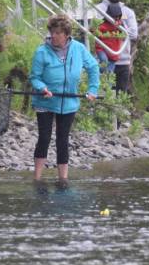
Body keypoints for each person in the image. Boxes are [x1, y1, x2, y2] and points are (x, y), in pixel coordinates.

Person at [29, 14, 100, 181]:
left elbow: (93, 67)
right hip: (44, 100)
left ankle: (63, 180)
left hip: (68, 101)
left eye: (57, 33)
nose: (53, 36)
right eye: (52, 32)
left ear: (66, 34)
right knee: (44, 138)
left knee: (63, 140)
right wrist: (42, 88)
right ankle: (37, 178)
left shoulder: (79, 48)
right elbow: (34, 77)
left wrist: (93, 89)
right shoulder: (41, 52)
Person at [94, 0, 139, 94]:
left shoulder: (128, 12)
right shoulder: (98, 9)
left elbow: (134, 34)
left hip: (123, 62)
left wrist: (117, 30)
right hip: (104, 60)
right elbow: (94, 30)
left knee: (120, 97)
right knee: (103, 94)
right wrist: (120, 33)